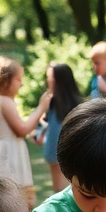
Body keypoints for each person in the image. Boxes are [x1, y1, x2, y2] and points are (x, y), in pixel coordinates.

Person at [0, 56, 48, 211]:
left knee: (1, 194)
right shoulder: (6, 102)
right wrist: (41, 107)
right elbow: (22, 130)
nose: (21, 83)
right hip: (9, 152)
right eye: (18, 79)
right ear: (6, 81)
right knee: (17, 197)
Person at [33, 62, 84, 194]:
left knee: (72, 187)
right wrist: (38, 134)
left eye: (51, 78)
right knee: (59, 189)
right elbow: (44, 120)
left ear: (61, 81)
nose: (49, 81)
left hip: (73, 152)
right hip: (53, 150)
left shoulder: (77, 104)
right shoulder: (50, 100)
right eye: (48, 78)